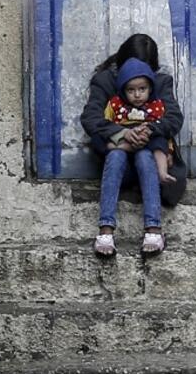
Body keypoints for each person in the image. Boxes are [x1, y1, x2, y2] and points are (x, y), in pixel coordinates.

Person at [80, 34, 186, 256]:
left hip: (149, 155)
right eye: (131, 87)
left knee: (144, 157)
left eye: (145, 79)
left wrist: (147, 131)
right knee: (116, 154)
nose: (138, 93)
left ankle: (153, 229)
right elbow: (91, 118)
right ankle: (106, 230)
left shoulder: (160, 81)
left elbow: (173, 117)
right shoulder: (105, 81)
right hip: (117, 157)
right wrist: (123, 134)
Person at [104, 57, 176, 185]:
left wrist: (169, 151)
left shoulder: (157, 105)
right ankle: (125, 147)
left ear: (150, 89)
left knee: (160, 143)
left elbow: (166, 131)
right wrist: (122, 133)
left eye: (142, 89)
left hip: (149, 138)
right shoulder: (115, 104)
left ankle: (163, 173)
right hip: (126, 139)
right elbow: (105, 124)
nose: (137, 95)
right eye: (131, 90)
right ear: (123, 90)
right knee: (110, 145)